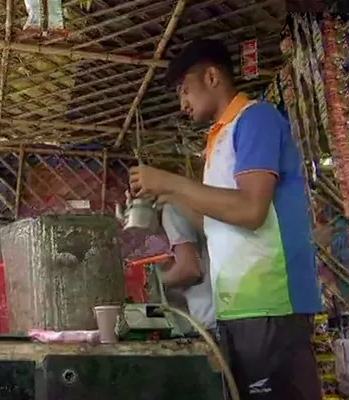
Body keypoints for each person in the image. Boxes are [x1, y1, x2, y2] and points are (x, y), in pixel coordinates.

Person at [128, 38, 323, 399]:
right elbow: (216, 225)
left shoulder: (256, 118)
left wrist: (172, 181)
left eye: (185, 90)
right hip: (238, 306)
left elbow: (250, 211)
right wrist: (168, 195)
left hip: (272, 302)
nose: (182, 103)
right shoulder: (218, 140)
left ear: (213, 77)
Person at [160, 201, 216, 333]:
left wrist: (148, 286)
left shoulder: (172, 209)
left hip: (210, 320)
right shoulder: (193, 200)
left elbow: (190, 269)